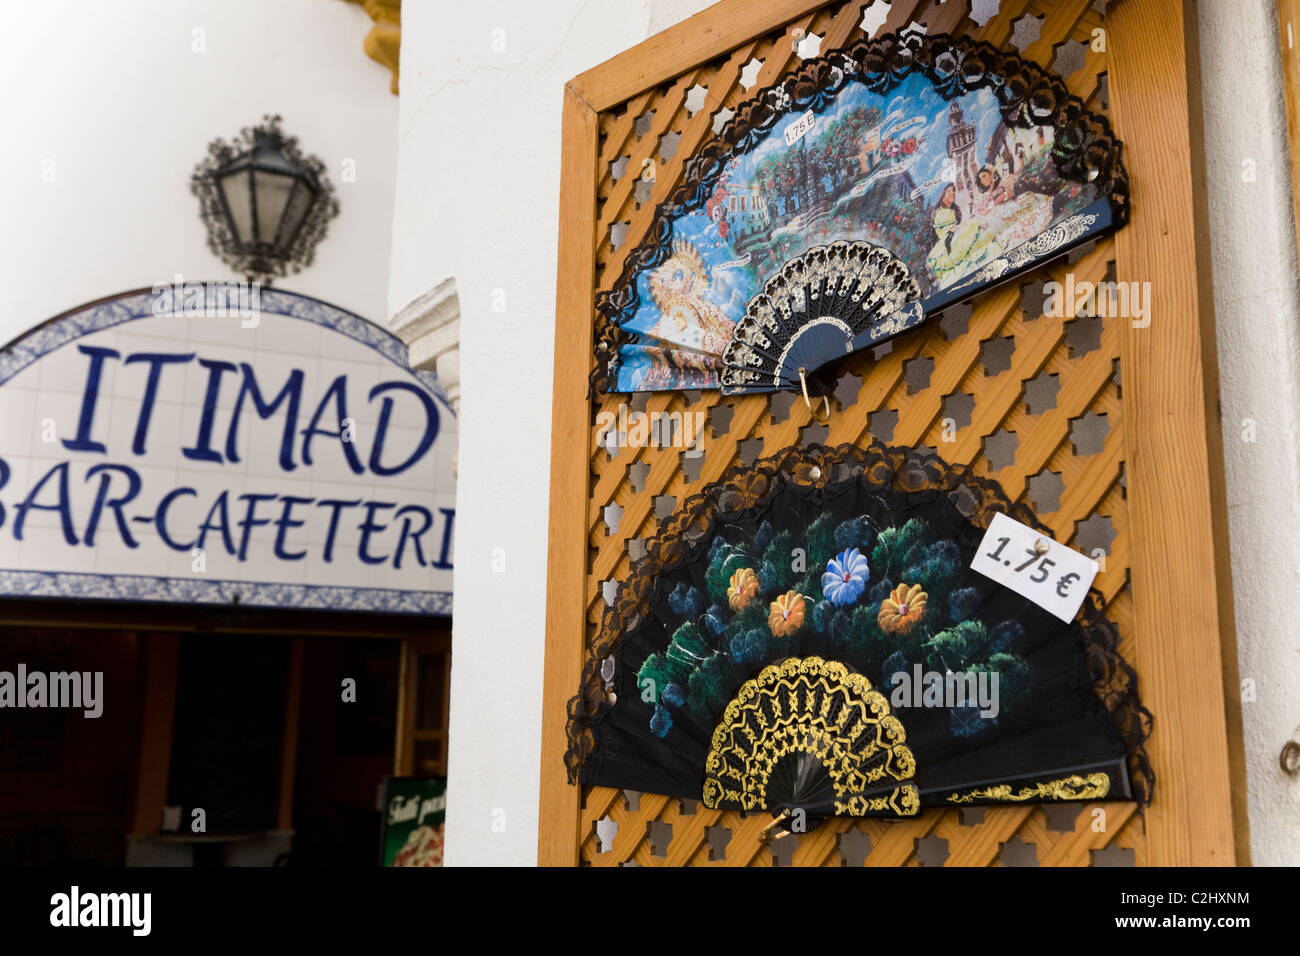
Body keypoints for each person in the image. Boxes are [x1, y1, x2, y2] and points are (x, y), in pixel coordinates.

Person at [926, 183, 1002, 289]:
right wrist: (967, 224)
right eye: (949, 191)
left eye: (953, 190)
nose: (952, 193)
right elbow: (946, 231)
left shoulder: (953, 210)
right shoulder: (940, 212)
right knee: (973, 231)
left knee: (977, 231)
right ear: (943, 194)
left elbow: (959, 226)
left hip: (955, 236)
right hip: (947, 241)